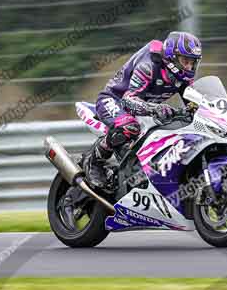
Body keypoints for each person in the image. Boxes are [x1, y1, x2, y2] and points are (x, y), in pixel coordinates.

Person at [82, 31, 202, 190]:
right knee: (129, 127)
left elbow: (195, 104)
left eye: (192, 62)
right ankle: (94, 163)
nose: (189, 67)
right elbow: (128, 99)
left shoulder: (182, 77)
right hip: (114, 100)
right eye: (185, 61)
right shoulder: (149, 66)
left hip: (142, 110)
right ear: (172, 57)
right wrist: (156, 108)